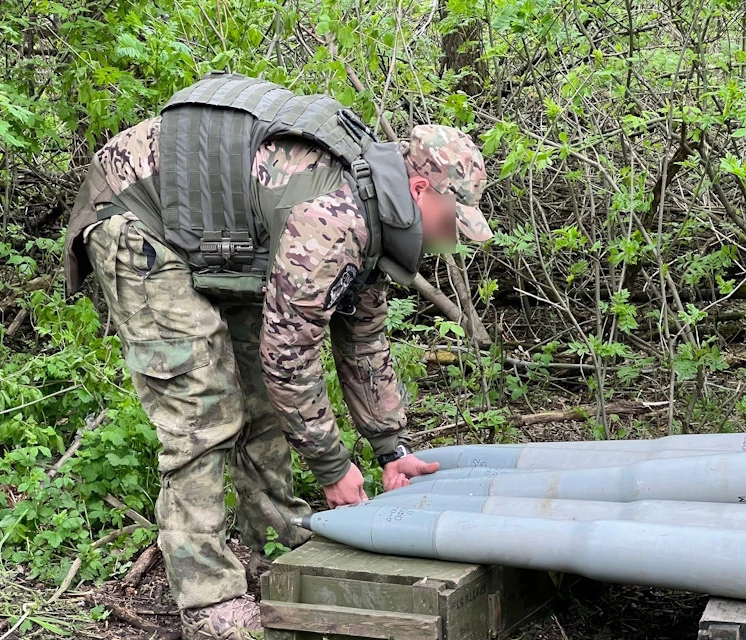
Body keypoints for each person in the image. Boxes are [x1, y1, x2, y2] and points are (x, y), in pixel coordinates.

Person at [63, 72, 492, 640]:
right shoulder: (335, 219)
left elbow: (362, 339)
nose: (451, 238)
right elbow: (291, 355)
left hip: (218, 239)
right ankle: (208, 600)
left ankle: (269, 543)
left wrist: (391, 447)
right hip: (140, 216)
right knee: (203, 406)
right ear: (419, 190)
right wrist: (334, 468)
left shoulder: (376, 214)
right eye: (451, 220)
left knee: (259, 398)